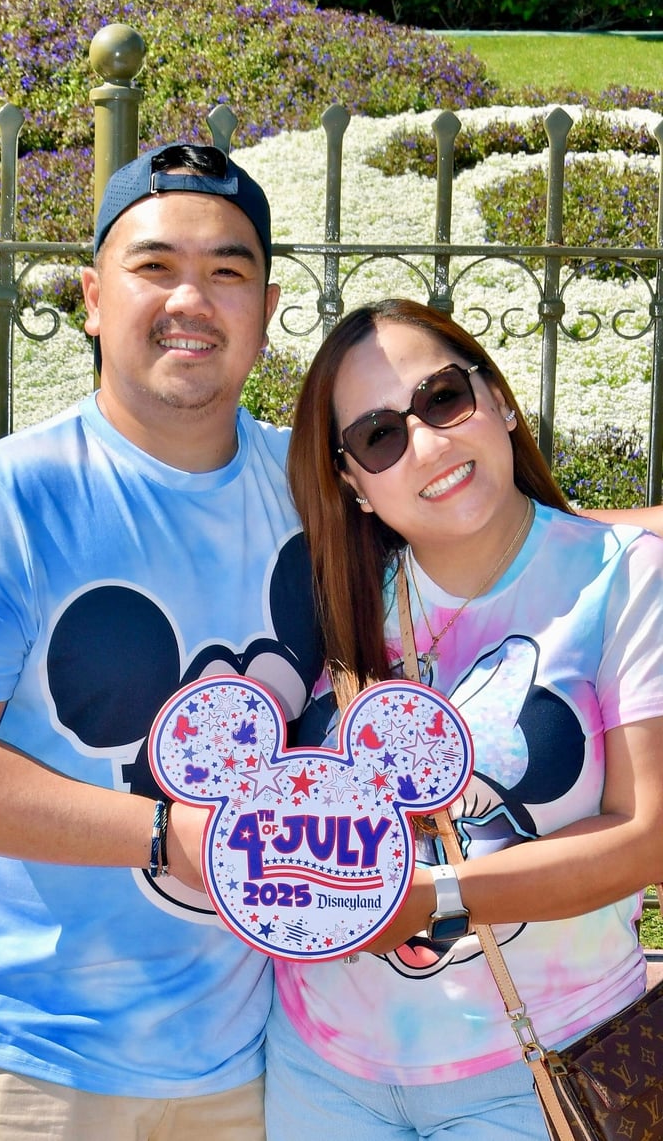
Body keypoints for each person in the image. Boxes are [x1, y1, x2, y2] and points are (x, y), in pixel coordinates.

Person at [0, 143, 326, 1140]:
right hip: (38, 1060)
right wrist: (161, 835)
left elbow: (502, 533)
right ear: (94, 298)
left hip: (256, 1055)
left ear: (264, 306)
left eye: (228, 271)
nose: (193, 298)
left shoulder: (316, 487)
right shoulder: (6, 501)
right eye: (155, 267)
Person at [266, 297, 663, 1140]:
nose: (429, 442)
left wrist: (433, 896)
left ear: (499, 401)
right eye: (380, 435)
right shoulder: (335, 598)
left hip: (539, 1073)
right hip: (320, 1070)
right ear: (353, 483)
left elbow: (646, 835)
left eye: (443, 397)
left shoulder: (625, 581)